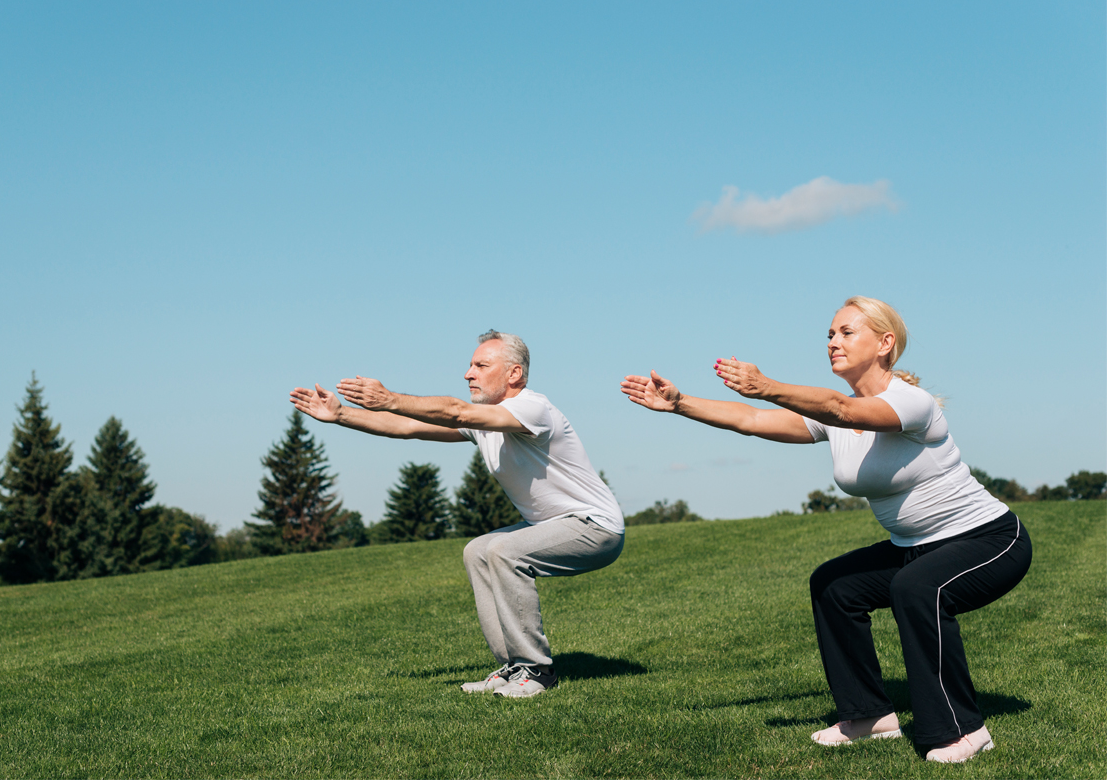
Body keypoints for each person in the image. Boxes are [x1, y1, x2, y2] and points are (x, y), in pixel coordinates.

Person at [620, 296, 1031, 764]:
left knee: (918, 589)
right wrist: (680, 404)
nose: (833, 342)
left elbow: (842, 410)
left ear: (885, 343)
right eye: (829, 335)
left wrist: (768, 385)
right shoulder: (837, 415)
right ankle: (869, 716)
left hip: (989, 540)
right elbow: (753, 420)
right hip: (914, 547)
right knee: (834, 585)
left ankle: (965, 729)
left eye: (846, 333)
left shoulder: (909, 403)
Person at [291, 330, 625, 698]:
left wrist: (389, 398)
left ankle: (538, 672)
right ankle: (515, 666)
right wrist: (340, 414)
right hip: (552, 526)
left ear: (513, 374)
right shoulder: (483, 423)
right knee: (478, 550)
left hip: (596, 527)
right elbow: (408, 427)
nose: (469, 373)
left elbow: (455, 410)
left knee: (504, 551)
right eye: (470, 366)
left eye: (481, 365)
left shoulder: (534, 407)